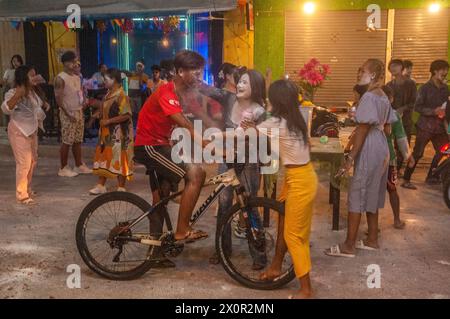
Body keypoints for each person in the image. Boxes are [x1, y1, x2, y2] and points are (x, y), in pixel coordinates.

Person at [242, 79, 317, 299]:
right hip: (300, 177)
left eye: (270, 97)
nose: (267, 100)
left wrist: (212, 140)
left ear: (277, 100)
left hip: (300, 182)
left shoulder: (276, 123)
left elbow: (245, 135)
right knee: (284, 223)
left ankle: (306, 289)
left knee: (294, 236)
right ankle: (275, 267)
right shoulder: (296, 119)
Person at [134, 50, 210, 245]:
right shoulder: (167, 91)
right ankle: (182, 230)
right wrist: (205, 144)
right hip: (150, 146)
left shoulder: (184, 93)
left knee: (161, 199)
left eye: (200, 72)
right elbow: (184, 123)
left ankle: (156, 252)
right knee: (196, 174)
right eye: (194, 72)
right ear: (179, 71)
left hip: (163, 144)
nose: (198, 76)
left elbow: (201, 115)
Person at [325, 59, 396, 258]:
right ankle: (372, 239)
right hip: (381, 144)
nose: (359, 74)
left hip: (369, 145)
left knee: (357, 192)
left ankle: (349, 245)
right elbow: (388, 127)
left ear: (372, 75)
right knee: (373, 189)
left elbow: (363, 130)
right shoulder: (382, 95)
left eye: (362, 70)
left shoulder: (368, 97)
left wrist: (350, 158)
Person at [1, 65, 49, 204]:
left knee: (33, 160)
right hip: (19, 130)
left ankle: (26, 187)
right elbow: (6, 108)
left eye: (35, 75)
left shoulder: (33, 92)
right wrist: (18, 95)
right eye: (31, 75)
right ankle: (21, 194)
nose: (35, 77)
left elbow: (37, 106)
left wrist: (45, 105)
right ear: (23, 77)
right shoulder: (13, 92)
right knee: (24, 162)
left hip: (32, 129)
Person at [402, 60, 449, 189]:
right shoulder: (425, 88)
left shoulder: (446, 89)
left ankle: (432, 176)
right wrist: (433, 111)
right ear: (434, 71)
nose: (445, 73)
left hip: (440, 128)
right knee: (418, 153)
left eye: (446, 70)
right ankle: (406, 178)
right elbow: (418, 107)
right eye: (442, 70)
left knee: (443, 151)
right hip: (425, 127)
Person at [89, 68, 134, 195]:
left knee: (119, 157)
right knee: (104, 156)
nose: (104, 81)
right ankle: (101, 185)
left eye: (106, 79)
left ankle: (121, 186)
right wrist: (97, 115)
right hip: (107, 133)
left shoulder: (121, 95)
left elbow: (126, 115)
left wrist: (108, 121)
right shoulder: (108, 94)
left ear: (114, 80)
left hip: (119, 134)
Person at [54, 51, 92, 177]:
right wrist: (67, 113)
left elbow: (79, 92)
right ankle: (63, 167)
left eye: (76, 61)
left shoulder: (77, 76)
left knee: (77, 140)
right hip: (68, 113)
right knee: (67, 140)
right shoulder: (61, 78)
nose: (75, 64)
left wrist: (83, 102)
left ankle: (79, 165)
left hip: (78, 110)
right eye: (73, 61)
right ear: (65, 63)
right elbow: (58, 99)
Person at [381, 85, 411, 229]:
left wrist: (407, 155)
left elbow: (401, 137)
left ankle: (397, 219)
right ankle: (373, 225)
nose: (384, 101)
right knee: (373, 192)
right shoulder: (371, 114)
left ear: (391, 99)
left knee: (392, 188)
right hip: (373, 158)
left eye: (387, 98)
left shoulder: (394, 116)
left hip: (389, 158)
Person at [386, 59, 417, 173]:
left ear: (402, 68)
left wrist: (402, 109)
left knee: (403, 145)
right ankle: (393, 169)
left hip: (405, 120)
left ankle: (398, 170)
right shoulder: (389, 85)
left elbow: (414, 102)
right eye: (391, 66)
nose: (393, 68)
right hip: (391, 120)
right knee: (391, 145)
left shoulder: (410, 83)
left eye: (396, 66)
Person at [124, 60, 149, 127]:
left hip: (139, 97)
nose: (139, 68)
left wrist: (140, 76)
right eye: (138, 66)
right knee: (131, 113)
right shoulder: (131, 74)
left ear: (143, 67)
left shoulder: (145, 76)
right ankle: (132, 126)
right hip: (130, 97)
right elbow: (122, 74)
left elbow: (142, 88)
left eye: (140, 66)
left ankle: (139, 126)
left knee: (139, 113)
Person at [1, 55, 24, 128]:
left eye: (17, 61)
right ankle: (9, 126)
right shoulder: (8, 71)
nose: (15, 63)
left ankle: (20, 126)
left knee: (19, 110)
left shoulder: (23, 71)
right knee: (8, 109)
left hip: (20, 92)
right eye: (13, 61)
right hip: (9, 91)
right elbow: (3, 81)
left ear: (20, 62)